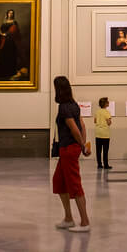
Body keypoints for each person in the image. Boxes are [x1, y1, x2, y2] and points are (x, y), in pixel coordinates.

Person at [53, 76, 91, 232]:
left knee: (75, 185)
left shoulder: (64, 107)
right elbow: (82, 124)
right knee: (59, 181)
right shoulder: (74, 105)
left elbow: (74, 128)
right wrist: (83, 143)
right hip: (69, 149)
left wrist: (82, 146)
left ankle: (85, 222)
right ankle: (68, 218)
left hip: (69, 149)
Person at [0, 9, 22, 80]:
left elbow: (16, 31)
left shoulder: (14, 22)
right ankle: (3, 72)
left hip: (11, 42)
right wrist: (1, 33)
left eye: (12, 13)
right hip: (4, 41)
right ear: (7, 14)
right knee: (3, 55)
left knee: (11, 55)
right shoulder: (4, 22)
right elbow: (0, 30)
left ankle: (10, 72)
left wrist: (7, 34)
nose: (11, 14)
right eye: (9, 13)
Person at [94, 97, 113, 170]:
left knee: (98, 150)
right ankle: (106, 165)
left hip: (98, 133)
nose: (108, 103)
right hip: (105, 134)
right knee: (105, 151)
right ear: (105, 104)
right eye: (107, 102)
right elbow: (109, 122)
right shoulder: (107, 112)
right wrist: (110, 122)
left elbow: (95, 121)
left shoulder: (97, 112)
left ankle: (99, 164)